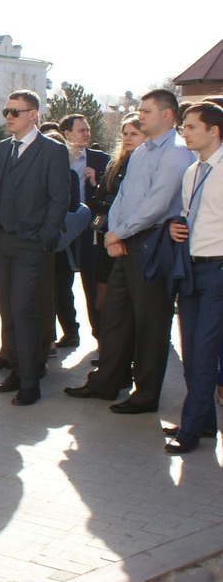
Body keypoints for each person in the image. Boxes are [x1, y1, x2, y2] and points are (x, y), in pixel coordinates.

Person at [66, 89, 195, 413]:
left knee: (151, 323)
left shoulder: (177, 154)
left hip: (154, 244)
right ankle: (106, 382)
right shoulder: (141, 152)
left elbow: (157, 204)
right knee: (115, 316)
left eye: (146, 111)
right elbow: (124, 196)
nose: (139, 115)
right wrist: (114, 232)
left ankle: (146, 394)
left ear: (167, 114)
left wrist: (118, 233)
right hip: (124, 242)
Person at [0, 90, 71, 406]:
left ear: (34, 115)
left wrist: (44, 238)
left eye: (15, 112)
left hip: (31, 245)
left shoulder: (53, 151)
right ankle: (16, 371)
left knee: (24, 308)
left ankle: (31, 382)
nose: (8, 117)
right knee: (8, 310)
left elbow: (60, 200)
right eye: (6, 111)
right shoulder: (1, 150)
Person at [164, 102, 223, 454]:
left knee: (202, 352)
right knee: (191, 351)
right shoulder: (192, 172)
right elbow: (189, 214)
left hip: (218, 271)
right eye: (183, 126)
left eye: (190, 126)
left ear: (213, 130)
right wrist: (175, 227)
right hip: (191, 270)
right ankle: (203, 423)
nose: (183, 132)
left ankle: (190, 428)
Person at [54, 114, 109, 349]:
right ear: (66, 134)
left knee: (93, 285)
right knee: (60, 284)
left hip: (91, 231)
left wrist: (95, 182)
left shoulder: (100, 159)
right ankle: (70, 331)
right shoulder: (56, 157)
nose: (87, 134)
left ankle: (102, 337)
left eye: (87, 130)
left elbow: (109, 195)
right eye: (81, 130)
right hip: (63, 229)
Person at [90, 116, 145, 328]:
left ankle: (126, 352)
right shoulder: (115, 164)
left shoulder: (147, 165)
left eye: (134, 133)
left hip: (133, 240)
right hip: (108, 239)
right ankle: (109, 348)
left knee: (129, 305)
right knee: (102, 303)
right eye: (125, 133)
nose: (128, 138)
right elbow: (97, 199)